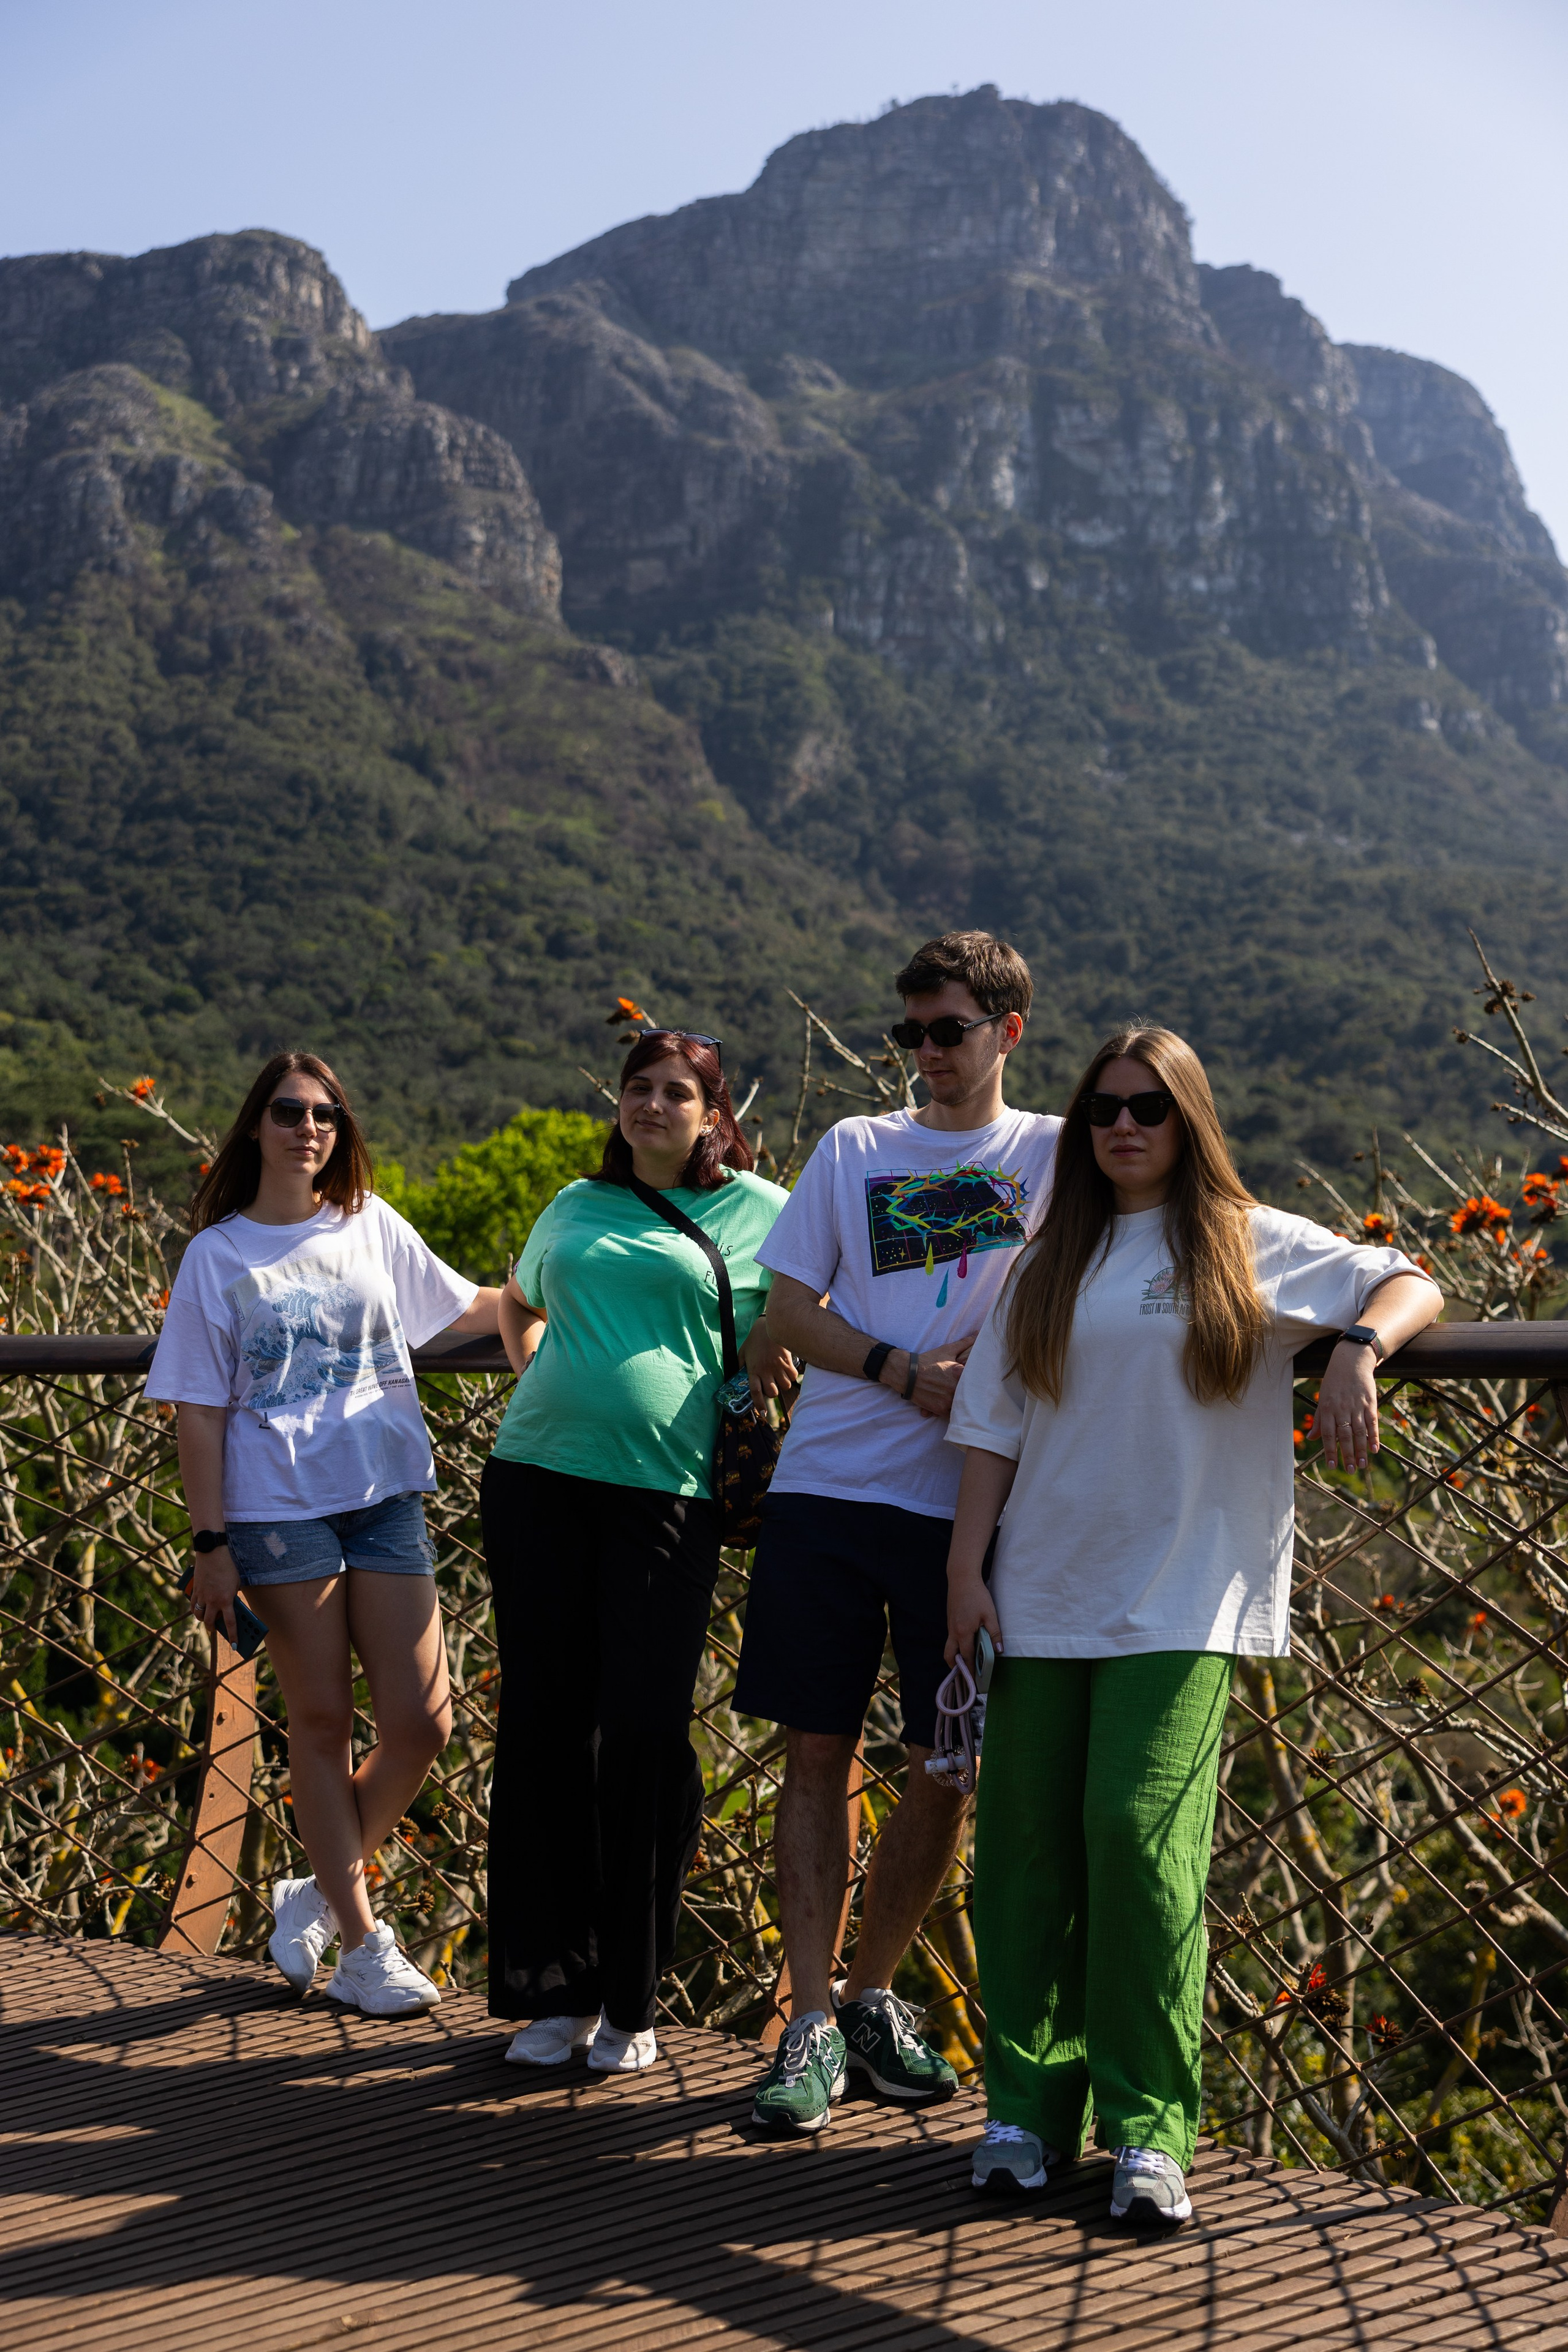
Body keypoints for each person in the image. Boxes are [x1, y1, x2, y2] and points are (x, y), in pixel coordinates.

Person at [944, 1026, 1442, 2225]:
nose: (1124, 1125)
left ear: (1187, 1121)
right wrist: (963, 1574)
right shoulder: (1043, 1257)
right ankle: (1021, 2111)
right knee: (1018, 1862)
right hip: (1038, 1590)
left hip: (1181, 1595)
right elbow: (990, 1429)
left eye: (1149, 1108)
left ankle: (1147, 2130)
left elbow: (1411, 1277)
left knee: (1135, 1844)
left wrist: (1357, 1352)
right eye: (1104, 1109)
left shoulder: (1242, 1240)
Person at [734, 932, 1062, 2135]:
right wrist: (895, 1368)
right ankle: (808, 2020)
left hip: (966, 1514)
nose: (927, 1053)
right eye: (911, 1032)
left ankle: (872, 1998)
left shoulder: (1053, 1154)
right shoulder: (854, 1149)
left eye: (949, 1030)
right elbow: (785, 1310)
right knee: (814, 1753)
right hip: (828, 1490)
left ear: (1005, 1033)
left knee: (944, 1767)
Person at [146, 1051, 502, 2015]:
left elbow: (466, 1307)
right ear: (255, 1125)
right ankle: (359, 1940)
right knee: (321, 1722)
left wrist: (555, 1289)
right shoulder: (217, 1257)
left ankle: (310, 1889)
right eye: (291, 1111)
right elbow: (198, 1411)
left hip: (385, 1495)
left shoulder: (371, 1225)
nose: (311, 1128)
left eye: (328, 1115)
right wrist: (209, 1544)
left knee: (425, 1723)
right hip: (274, 1513)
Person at [482, 1029, 796, 2077]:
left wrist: (764, 1349)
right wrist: (545, 1371)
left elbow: (811, 1303)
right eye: (638, 1089)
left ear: (714, 1116)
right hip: (534, 1479)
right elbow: (516, 1303)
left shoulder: (759, 1212)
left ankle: (630, 1996)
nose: (653, 1105)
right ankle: (552, 1989)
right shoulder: (574, 1204)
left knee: (648, 1737)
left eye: (677, 1093)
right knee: (543, 1731)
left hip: (666, 1496)